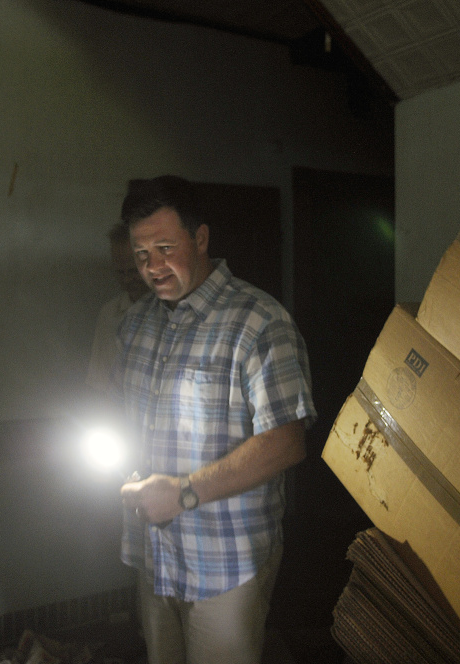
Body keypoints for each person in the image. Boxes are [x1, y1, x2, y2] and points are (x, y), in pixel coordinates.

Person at [115, 176, 315, 664]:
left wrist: (183, 492)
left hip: (226, 563)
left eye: (165, 248)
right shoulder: (136, 323)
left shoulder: (260, 322)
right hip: (155, 553)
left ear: (200, 239)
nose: (153, 267)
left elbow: (287, 442)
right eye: (142, 254)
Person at [85, 223, 149, 392]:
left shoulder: (172, 312)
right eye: (121, 273)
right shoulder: (109, 314)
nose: (127, 280)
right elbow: (98, 381)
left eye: (133, 271)